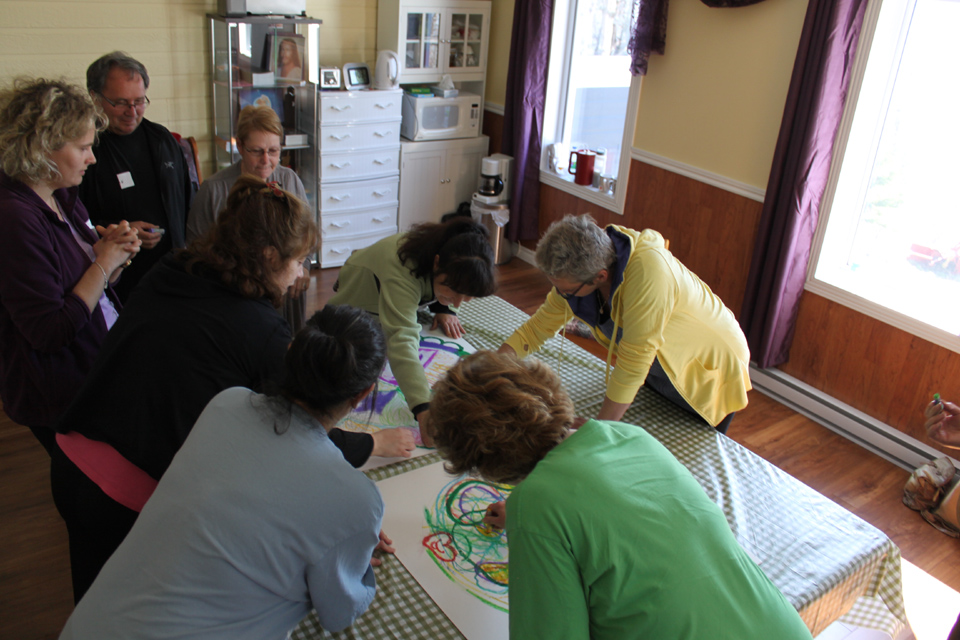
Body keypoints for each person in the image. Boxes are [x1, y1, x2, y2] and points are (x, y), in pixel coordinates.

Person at [53, 176, 412, 602]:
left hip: (74, 456)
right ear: (268, 256)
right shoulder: (261, 332)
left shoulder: (175, 267)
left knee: (92, 605)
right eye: (299, 261)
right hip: (128, 493)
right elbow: (298, 436)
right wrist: (369, 451)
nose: (301, 273)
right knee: (132, 607)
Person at [430, 350, 813, 640]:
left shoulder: (537, 505)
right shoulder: (628, 435)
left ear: (483, 460)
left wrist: (530, 514)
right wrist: (529, 515)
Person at [59, 305, 391, 639]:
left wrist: (341, 533)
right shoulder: (356, 499)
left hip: (90, 624)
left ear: (290, 351)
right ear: (362, 395)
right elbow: (338, 612)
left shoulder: (229, 403)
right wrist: (348, 549)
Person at [498, 214, 750, 433]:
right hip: (658, 367)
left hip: (709, 369)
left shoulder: (649, 275)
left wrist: (600, 427)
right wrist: (493, 366)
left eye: (565, 291)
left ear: (600, 277)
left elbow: (633, 362)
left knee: (690, 455)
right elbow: (536, 329)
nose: (559, 295)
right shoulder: (589, 267)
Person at [0, 77, 140, 456]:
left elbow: (91, 285)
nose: (92, 158)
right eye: (82, 148)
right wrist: (103, 262)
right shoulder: (15, 218)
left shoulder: (60, 194)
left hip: (95, 368)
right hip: (62, 392)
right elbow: (50, 331)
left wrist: (114, 255)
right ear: (42, 147)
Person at [327, 218, 497, 445]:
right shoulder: (402, 270)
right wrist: (423, 408)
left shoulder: (450, 252)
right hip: (359, 291)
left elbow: (444, 286)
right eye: (452, 291)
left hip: (393, 283)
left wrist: (444, 307)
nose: (458, 302)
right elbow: (401, 340)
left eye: (466, 296)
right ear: (436, 263)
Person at [80, 51, 194, 302]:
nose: (132, 112)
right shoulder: (85, 151)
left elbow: (187, 203)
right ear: (95, 98)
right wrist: (121, 232)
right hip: (116, 287)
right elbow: (74, 224)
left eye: (139, 101)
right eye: (120, 102)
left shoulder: (162, 140)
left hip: (171, 277)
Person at [187, 105, 310, 332]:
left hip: (283, 292)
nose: (266, 160)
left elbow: (306, 236)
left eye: (273, 151)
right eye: (257, 151)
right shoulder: (213, 190)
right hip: (234, 296)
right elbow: (196, 253)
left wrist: (305, 267)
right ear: (240, 147)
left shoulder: (290, 180)